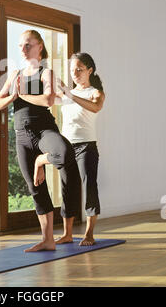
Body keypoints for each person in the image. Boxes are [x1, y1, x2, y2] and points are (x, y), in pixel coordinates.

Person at [0, 29, 80, 252]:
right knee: (35, 187)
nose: (23, 49)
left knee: (64, 152)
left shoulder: (46, 72)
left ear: (39, 46)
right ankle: (48, 239)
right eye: (21, 45)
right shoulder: (14, 75)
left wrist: (20, 95)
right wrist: (11, 96)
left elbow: (48, 99)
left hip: (43, 131)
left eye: (28, 44)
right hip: (21, 135)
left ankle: (40, 161)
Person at [54, 52, 105, 246]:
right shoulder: (67, 94)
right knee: (68, 189)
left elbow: (95, 107)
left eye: (79, 69)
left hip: (86, 147)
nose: (74, 73)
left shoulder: (95, 92)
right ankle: (67, 234)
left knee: (89, 186)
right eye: (72, 70)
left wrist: (69, 93)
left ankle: (89, 234)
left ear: (89, 70)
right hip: (66, 146)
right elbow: (47, 99)